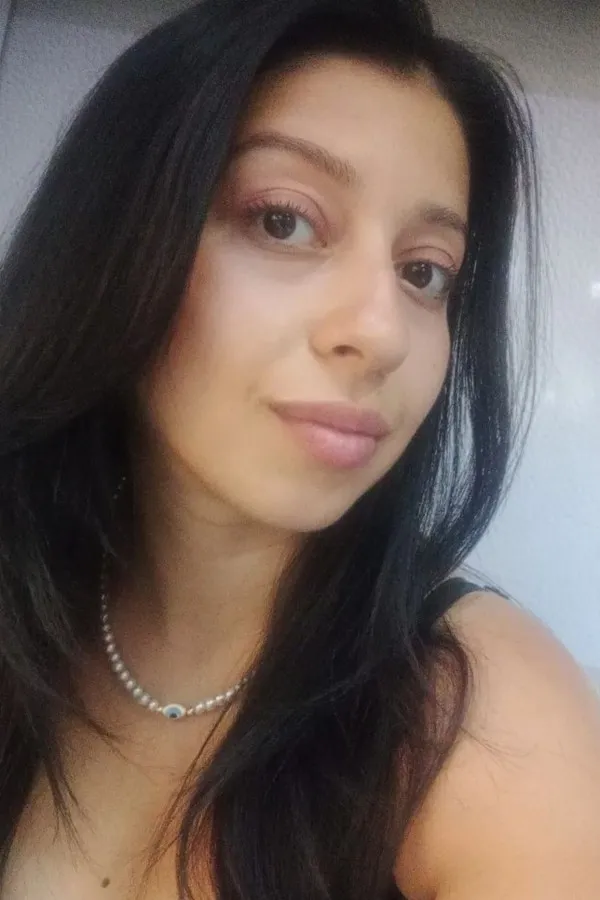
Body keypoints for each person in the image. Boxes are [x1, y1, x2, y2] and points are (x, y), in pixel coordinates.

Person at [0, 0, 598, 897]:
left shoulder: (481, 723)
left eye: (424, 272)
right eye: (284, 220)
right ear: (115, 242)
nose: (381, 332)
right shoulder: (29, 606)